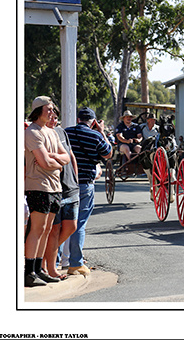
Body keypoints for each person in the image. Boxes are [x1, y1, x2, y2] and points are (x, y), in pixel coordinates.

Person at [24, 96, 71, 287]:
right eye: (48, 109)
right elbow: (44, 163)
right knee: (37, 229)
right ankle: (29, 272)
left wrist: (52, 158)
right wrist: (56, 164)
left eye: (53, 109)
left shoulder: (52, 132)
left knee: (46, 229)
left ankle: (39, 269)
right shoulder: (32, 132)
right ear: (38, 111)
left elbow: (66, 157)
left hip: (55, 187)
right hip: (38, 186)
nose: (52, 112)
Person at [65, 107, 112, 276]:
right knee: (79, 224)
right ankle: (75, 263)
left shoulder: (65, 132)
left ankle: (54, 261)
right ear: (93, 122)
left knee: (59, 224)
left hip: (65, 184)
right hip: (85, 184)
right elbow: (108, 153)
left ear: (78, 119)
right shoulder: (95, 135)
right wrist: (102, 132)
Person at [43, 107, 79, 280]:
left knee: (71, 227)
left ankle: (43, 255)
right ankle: (51, 268)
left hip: (70, 186)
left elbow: (70, 156)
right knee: (54, 230)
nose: (53, 119)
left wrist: (76, 178)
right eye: (50, 116)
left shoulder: (61, 132)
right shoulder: (40, 135)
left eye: (55, 117)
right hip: (55, 188)